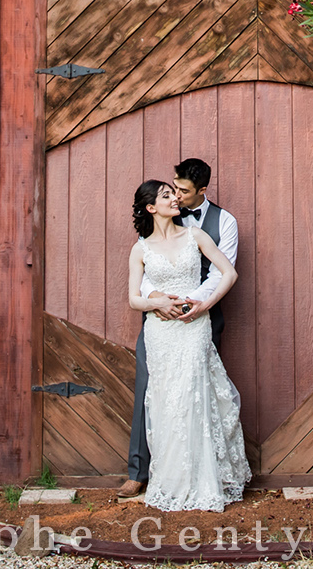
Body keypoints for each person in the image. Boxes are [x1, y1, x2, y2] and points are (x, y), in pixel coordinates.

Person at [122, 177, 250, 512]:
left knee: (194, 394)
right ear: (151, 207)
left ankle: (204, 480)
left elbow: (228, 273)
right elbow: (134, 299)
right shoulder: (141, 248)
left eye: (174, 193)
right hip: (160, 332)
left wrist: (205, 304)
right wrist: (157, 303)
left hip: (194, 327)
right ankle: (171, 479)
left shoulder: (195, 235)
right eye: (166, 195)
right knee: (166, 402)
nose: (174, 199)